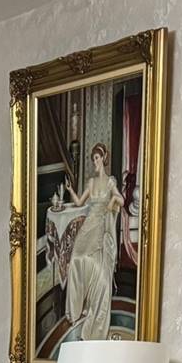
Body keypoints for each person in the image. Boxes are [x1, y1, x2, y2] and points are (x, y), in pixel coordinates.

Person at [61, 142, 123, 344]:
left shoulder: (110, 181)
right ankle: (77, 307)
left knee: (95, 265)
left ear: (103, 159)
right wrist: (70, 190)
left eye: (97, 158)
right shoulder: (91, 182)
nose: (95, 162)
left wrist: (112, 204)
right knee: (77, 258)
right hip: (88, 225)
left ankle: (92, 303)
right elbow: (79, 203)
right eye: (93, 159)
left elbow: (120, 200)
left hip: (101, 225)